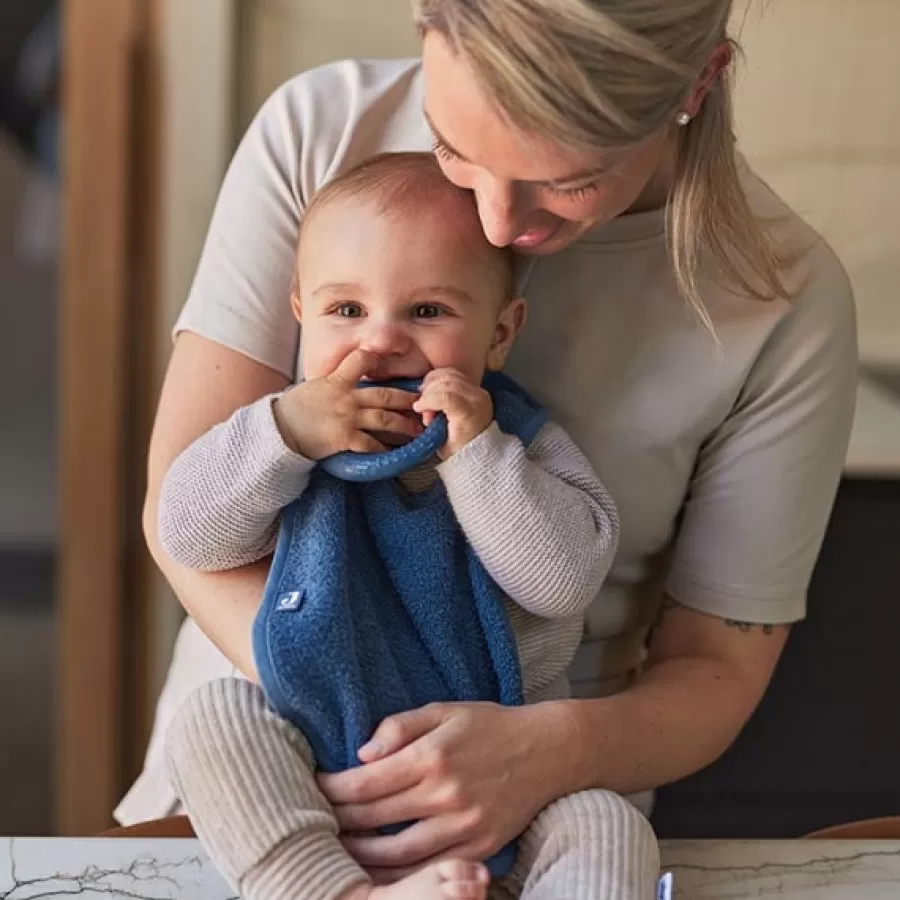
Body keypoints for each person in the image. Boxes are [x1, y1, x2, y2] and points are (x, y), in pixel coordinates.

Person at [119, 0, 856, 885]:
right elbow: (183, 515)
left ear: (697, 86)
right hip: (272, 748)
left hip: (533, 778)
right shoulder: (320, 131)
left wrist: (538, 753)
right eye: (452, 144)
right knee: (223, 727)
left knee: (609, 832)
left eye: (568, 177)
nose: (498, 224)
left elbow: (714, 670)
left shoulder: (784, 303)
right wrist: (351, 712)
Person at [158, 150, 658, 900]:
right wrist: (284, 434)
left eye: (427, 311)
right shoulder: (277, 438)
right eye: (347, 310)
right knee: (215, 723)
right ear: (300, 310)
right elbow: (189, 534)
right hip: (315, 774)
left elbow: (561, 582)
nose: (381, 340)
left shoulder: (514, 444)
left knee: (608, 822)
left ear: (499, 332)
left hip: (495, 795)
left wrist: (475, 455)